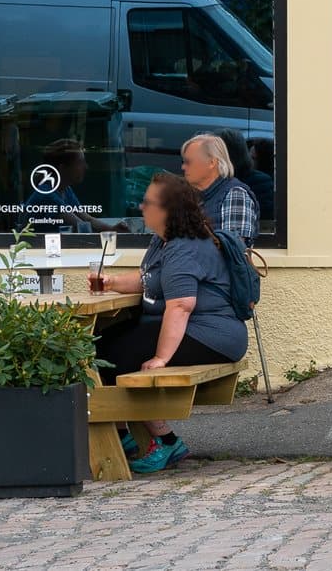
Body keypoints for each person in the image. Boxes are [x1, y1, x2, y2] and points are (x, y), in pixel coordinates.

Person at [86, 172, 248, 474]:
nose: (141, 207)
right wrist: (110, 283)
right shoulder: (163, 241)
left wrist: (161, 358)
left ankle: (159, 440)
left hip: (210, 336)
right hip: (192, 329)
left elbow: (181, 306)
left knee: (110, 356)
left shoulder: (183, 247)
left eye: (148, 202)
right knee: (102, 343)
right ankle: (125, 435)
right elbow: (149, 279)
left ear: (166, 210)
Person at [182, 133, 258, 245]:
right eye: (183, 162)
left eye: (189, 162)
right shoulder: (191, 196)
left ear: (212, 163)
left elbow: (234, 250)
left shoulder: (235, 194)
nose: (183, 167)